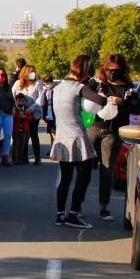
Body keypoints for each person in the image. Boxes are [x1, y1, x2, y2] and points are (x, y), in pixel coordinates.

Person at [51, 54, 108, 229]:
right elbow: (100, 101)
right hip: (77, 136)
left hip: (62, 135)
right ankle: (74, 213)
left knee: (65, 178)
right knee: (84, 175)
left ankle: (60, 214)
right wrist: (104, 95)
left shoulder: (58, 88)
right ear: (85, 71)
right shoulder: (79, 87)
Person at [88, 53, 140, 222]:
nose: (112, 73)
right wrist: (100, 99)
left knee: (107, 168)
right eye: (109, 69)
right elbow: (83, 98)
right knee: (83, 165)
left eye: (116, 70)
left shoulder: (128, 87)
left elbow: (136, 107)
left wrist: (121, 102)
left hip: (113, 131)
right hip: (94, 126)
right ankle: (76, 205)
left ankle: (104, 206)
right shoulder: (97, 84)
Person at [12, 64, 43, 165]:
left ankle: (37, 157)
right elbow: (12, 96)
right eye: (30, 71)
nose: (32, 74)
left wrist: (31, 109)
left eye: (34, 71)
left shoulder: (38, 83)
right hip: (20, 113)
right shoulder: (17, 83)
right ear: (25, 73)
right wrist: (16, 109)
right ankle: (23, 157)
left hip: (33, 113)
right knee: (22, 135)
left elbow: (40, 99)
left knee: (33, 134)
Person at [11, 93, 38, 165]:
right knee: (15, 145)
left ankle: (20, 159)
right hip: (16, 130)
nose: (21, 102)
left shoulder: (26, 109)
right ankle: (14, 159)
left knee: (22, 145)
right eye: (19, 101)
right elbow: (12, 117)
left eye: (22, 101)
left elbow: (30, 118)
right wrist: (18, 116)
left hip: (24, 131)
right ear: (16, 101)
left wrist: (24, 117)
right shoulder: (14, 109)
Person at [40, 75, 56, 146]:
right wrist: (44, 115)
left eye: (47, 83)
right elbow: (43, 103)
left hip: (55, 115)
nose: (46, 85)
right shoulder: (45, 91)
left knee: (54, 133)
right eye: (44, 84)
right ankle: (52, 148)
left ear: (51, 83)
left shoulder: (56, 90)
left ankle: (56, 149)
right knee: (50, 133)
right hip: (48, 115)